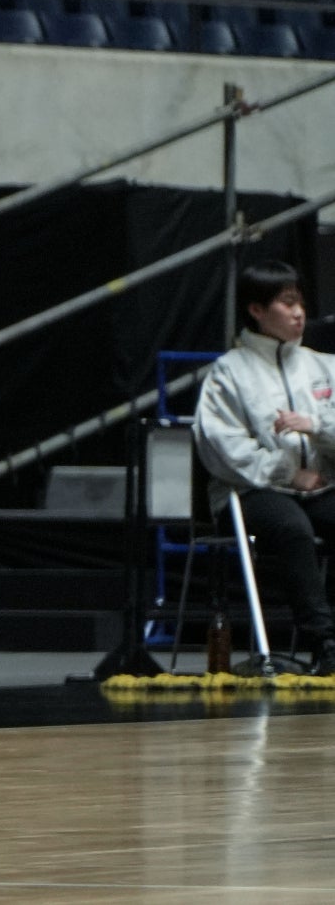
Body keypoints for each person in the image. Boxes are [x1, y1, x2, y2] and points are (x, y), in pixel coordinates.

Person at [195, 261, 335, 673]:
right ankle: (325, 642)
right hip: (248, 491)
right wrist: (287, 473)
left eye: (301, 304)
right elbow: (223, 448)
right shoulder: (229, 372)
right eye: (287, 304)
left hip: (321, 485)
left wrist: (317, 427)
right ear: (256, 310)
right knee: (292, 528)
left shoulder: (324, 366)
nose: (299, 313)